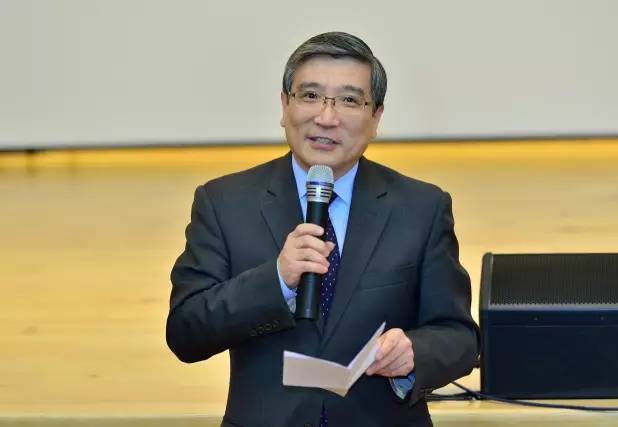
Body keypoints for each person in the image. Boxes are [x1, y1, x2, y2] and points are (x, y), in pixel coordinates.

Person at [167, 31, 479, 427]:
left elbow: (460, 338)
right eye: (310, 95)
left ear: (376, 118)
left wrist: (416, 352)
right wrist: (276, 280)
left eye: (349, 100)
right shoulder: (225, 202)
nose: (326, 118)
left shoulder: (421, 207)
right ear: (285, 106)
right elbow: (185, 331)